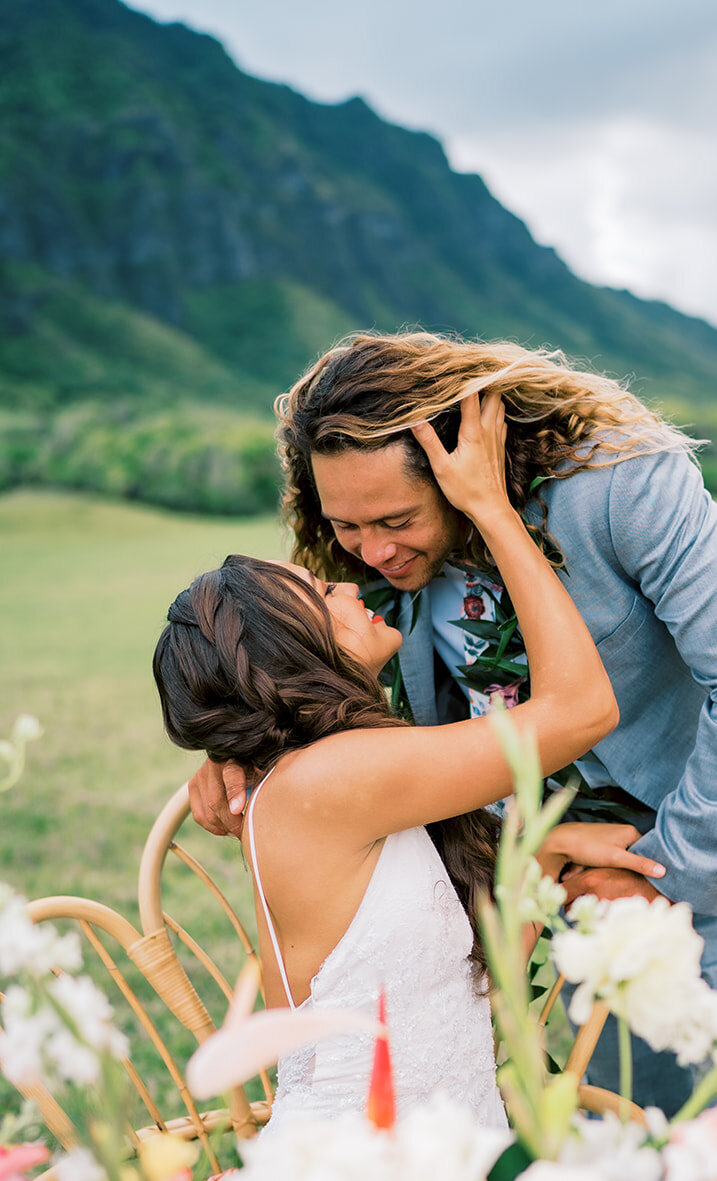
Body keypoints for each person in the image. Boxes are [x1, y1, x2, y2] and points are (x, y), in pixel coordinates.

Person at [191, 333, 717, 1113]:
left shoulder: (622, 483)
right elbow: (303, 651)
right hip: (566, 888)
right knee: (643, 1126)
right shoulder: (378, 557)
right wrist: (247, 744)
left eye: (393, 518)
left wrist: (673, 870)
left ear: (461, 465)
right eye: (347, 526)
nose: (370, 552)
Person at [155, 393, 663, 1128]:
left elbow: (458, 997)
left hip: (442, 1153)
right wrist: (490, 508)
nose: (346, 581)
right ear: (293, 653)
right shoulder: (335, 777)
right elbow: (581, 710)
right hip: (369, 1172)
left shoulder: (326, 777)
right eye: (317, 593)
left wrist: (545, 848)